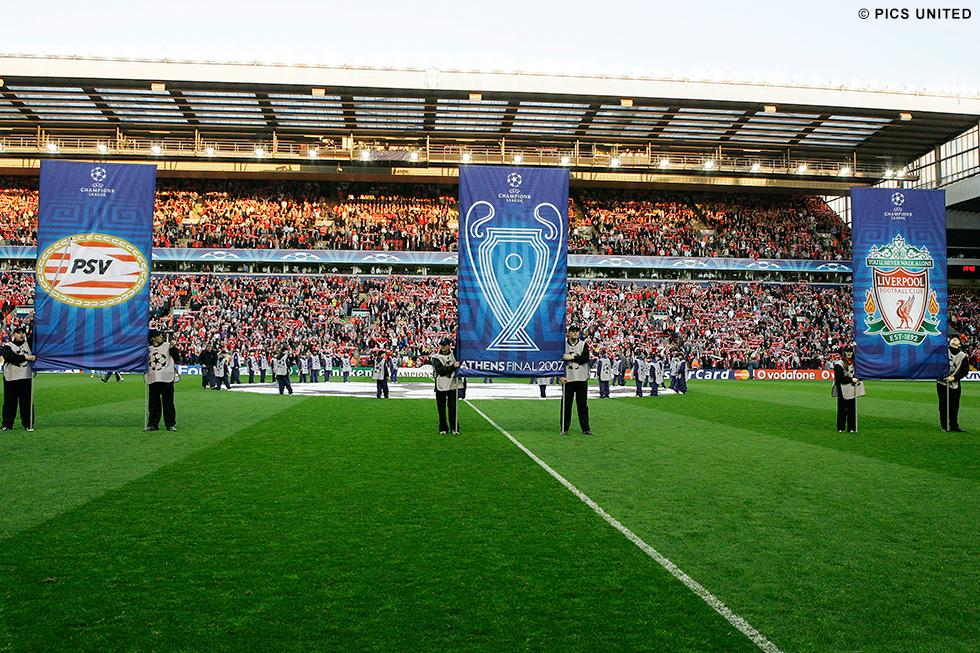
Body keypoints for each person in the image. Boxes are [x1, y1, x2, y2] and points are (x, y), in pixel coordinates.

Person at [144, 329, 180, 432]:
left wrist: (173, 348)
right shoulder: (148, 349)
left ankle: (170, 424)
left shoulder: (168, 346)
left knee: (168, 402)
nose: (161, 337)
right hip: (153, 378)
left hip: (166, 378)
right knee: (153, 403)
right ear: (153, 338)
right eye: (159, 336)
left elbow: (176, 358)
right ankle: (153, 424)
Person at [2, 326, 35, 432]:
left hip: (25, 376)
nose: (21, 335)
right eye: (18, 333)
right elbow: (10, 357)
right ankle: (7, 424)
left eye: (23, 333)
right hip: (11, 377)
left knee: (26, 402)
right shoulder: (8, 346)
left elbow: (35, 333)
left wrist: (34, 320)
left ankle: (28, 424)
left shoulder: (29, 345)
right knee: (9, 402)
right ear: (13, 335)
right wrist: (26, 358)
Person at [561, 324, 592, 435]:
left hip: (581, 378)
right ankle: (564, 428)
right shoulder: (563, 345)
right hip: (568, 379)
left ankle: (585, 428)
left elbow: (585, 359)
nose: (575, 333)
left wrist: (572, 357)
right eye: (573, 331)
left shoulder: (584, 345)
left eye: (577, 331)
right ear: (569, 333)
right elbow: (557, 362)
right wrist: (560, 375)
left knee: (582, 405)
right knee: (566, 405)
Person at [430, 337, 462, 434]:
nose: (443, 347)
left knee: (453, 408)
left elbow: (459, 346)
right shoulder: (436, 357)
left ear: (449, 345)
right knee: (441, 408)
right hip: (441, 385)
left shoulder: (454, 355)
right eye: (441, 345)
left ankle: (454, 427)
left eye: (445, 345)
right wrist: (453, 366)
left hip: (452, 384)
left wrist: (459, 332)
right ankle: (443, 427)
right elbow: (441, 371)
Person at [938, 335, 969, 432]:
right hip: (942, 383)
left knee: (954, 405)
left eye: (957, 339)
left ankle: (954, 425)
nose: (955, 339)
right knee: (943, 405)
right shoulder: (943, 352)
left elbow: (965, 370)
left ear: (959, 344)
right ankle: (944, 425)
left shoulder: (963, 356)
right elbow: (936, 364)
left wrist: (954, 378)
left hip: (954, 383)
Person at [832, 344, 863, 433]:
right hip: (842, 388)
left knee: (852, 410)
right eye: (847, 352)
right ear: (844, 353)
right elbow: (839, 377)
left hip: (852, 388)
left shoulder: (855, 364)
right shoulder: (839, 364)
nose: (849, 353)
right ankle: (841, 427)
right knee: (842, 410)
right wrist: (851, 379)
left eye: (850, 352)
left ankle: (851, 427)